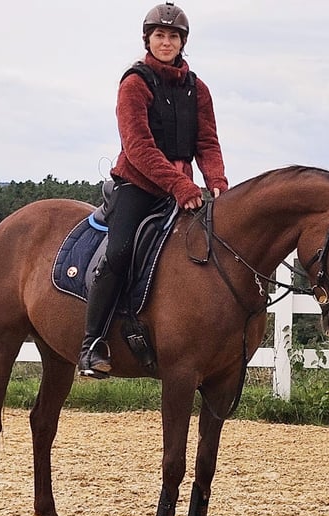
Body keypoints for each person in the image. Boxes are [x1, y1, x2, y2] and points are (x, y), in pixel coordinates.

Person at [78, 1, 229, 378]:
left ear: (182, 42)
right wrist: (179, 183)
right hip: (138, 185)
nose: (166, 42)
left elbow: (207, 143)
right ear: (149, 39)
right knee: (120, 251)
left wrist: (218, 182)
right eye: (159, 35)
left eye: (173, 36)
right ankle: (92, 342)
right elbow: (138, 146)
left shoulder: (199, 90)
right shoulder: (135, 83)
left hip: (184, 190)